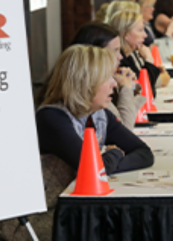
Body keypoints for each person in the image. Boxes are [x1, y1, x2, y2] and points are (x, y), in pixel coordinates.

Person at [37, 45, 154, 175]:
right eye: (107, 77)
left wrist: (107, 164)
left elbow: (144, 154)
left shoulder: (98, 114)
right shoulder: (52, 117)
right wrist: (115, 153)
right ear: (85, 82)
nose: (114, 84)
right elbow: (92, 168)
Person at [108, 10, 170, 93]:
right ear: (126, 34)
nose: (145, 35)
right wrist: (148, 61)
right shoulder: (120, 61)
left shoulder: (131, 55)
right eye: (140, 30)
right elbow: (145, 92)